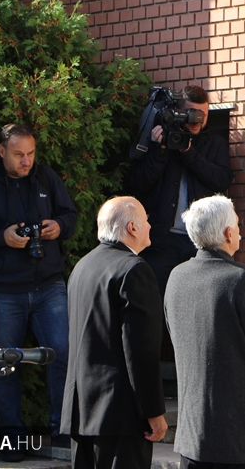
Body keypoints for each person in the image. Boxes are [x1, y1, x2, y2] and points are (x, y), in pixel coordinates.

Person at [0, 123, 77, 454]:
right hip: (3, 292)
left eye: (31, 153)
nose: (26, 161)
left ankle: (61, 430)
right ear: (2, 151)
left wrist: (58, 226)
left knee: (62, 354)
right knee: (4, 365)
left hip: (49, 285)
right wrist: (1, 238)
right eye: (19, 154)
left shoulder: (45, 178)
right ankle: (12, 438)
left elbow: (71, 216)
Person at [164, 195, 245, 469]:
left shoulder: (176, 278)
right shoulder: (244, 281)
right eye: (238, 226)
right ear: (228, 233)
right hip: (237, 435)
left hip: (192, 434)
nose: (240, 233)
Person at [61, 197, 168, 469]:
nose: (150, 225)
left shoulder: (82, 266)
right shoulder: (134, 269)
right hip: (121, 414)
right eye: (146, 220)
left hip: (82, 410)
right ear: (132, 227)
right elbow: (140, 349)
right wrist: (153, 411)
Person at [128, 85, 233, 307]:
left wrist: (188, 153)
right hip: (162, 241)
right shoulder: (159, 140)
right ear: (178, 112)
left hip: (199, 243)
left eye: (203, 115)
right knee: (158, 305)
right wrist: (158, 151)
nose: (197, 120)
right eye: (192, 113)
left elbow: (222, 180)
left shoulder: (213, 143)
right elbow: (138, 183)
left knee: (195, 305)